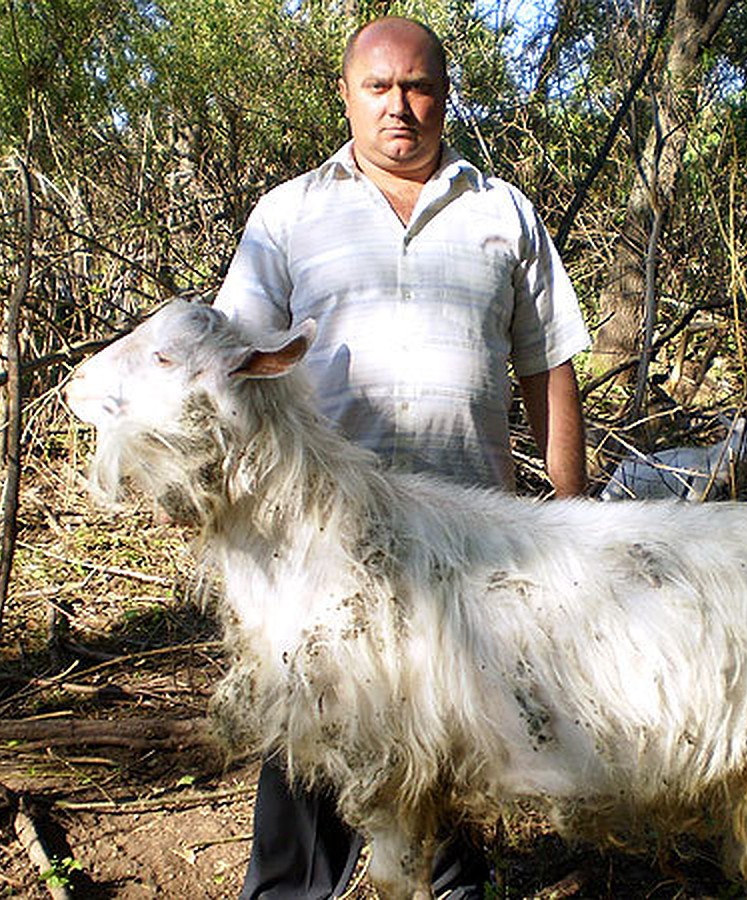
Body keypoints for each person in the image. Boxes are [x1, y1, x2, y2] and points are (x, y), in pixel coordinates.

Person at [213, 16, 589, 899]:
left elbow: (548, 365)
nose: (400, 107)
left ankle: (444, 886)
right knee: (310, 725)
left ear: (445, 95)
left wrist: (571, 511)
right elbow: (232, 363)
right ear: (345, 94)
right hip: (322, 540)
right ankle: (293, 890)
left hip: (466, 538)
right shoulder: (289, 214)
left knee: (443, 730)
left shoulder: (502, 211)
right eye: (378, 87)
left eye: (419, 86)